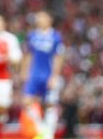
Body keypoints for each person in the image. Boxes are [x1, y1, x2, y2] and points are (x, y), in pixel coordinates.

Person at [21, 11, 65, 139]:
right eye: (38, 17)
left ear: (50, 19)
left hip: (48, 73)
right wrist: (25, 71)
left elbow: (58, 57)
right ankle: (41, 129)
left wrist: (55, 76)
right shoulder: (32, 35)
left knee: (50, 104)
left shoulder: (56, 36)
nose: (40, 19)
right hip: (34, 73)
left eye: (43, 17)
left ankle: (49, 133)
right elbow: (28, 54)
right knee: (27, 101)